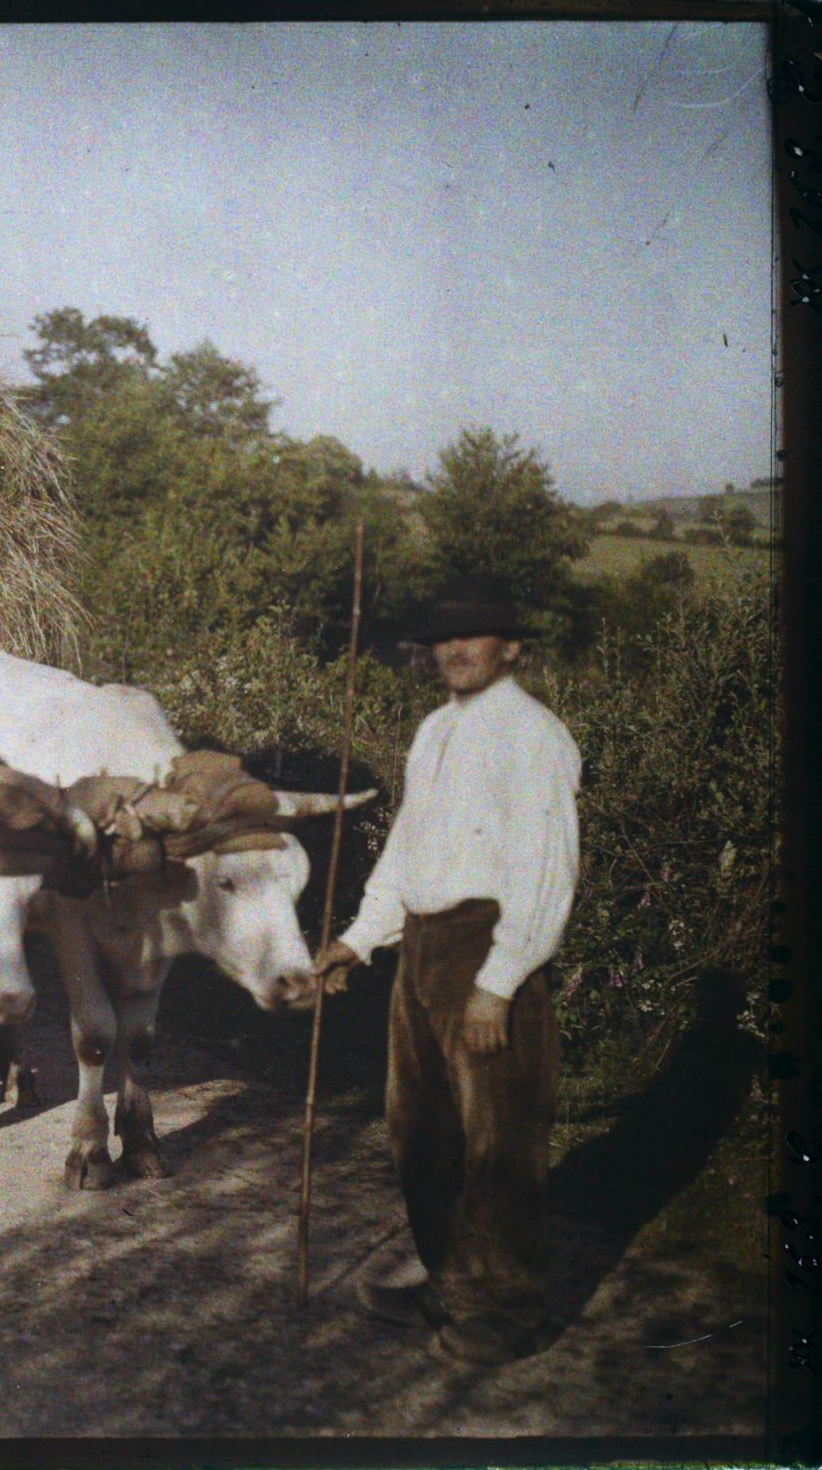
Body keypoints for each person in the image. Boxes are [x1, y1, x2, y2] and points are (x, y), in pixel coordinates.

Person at [309, 573, 581, 1367]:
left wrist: (501, 981)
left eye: (473, 636)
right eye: (443, 639)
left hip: (487, 947)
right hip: (422, 949)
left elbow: (544, 868)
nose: (455, 650)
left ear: (512, 648)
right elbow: (407, 849)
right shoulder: (434, 731)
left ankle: (507, 1309)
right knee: (419, 1131)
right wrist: (360, 938)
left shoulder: (533, 734)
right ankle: (451, 1282)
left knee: (498, 1136)